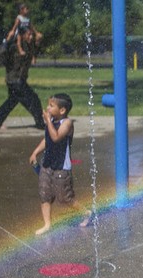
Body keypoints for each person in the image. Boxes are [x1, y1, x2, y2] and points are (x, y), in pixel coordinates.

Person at [29, 93, 90, 235]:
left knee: (64, 198)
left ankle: (86, 212)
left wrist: (48, 122)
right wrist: (35, 152)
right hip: (47, 164)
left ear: (62, 110)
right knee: (45, 194)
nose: (47, 108)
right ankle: (47, 224)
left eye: (51, 106)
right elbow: (47, 139)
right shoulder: (51, 121)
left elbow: (55, 138)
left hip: (62, 166)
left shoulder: (67, 123)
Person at [0, 28, 45, 130]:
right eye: (28, 35)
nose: (31, 37)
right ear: (22, 36)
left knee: (12, 101)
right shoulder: (13, 47)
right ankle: (40, 123)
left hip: (20, 80)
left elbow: (35, 49)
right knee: (33, 100)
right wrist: (7, 41)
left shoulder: (28, 46)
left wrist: (38, 39)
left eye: (31, 35)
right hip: (14, 80)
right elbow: (0, 55)